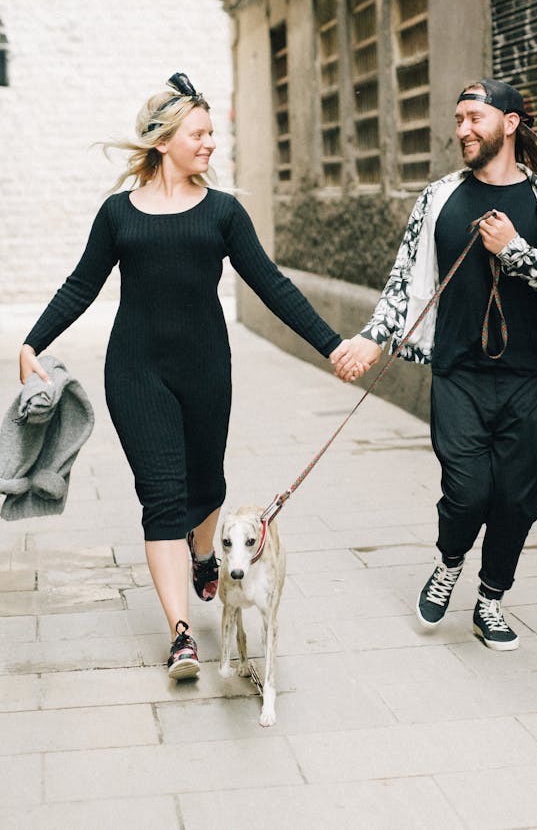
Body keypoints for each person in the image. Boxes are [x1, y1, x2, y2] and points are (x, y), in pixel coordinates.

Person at [19, 73, 354, 679]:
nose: (209, 144)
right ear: (164, 139)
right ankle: (180, 637)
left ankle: (205, 554)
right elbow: (80, 285)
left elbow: (272, 284)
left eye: (210, 134)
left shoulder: (223, 213)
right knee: (162, 497)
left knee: (207, 483)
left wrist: (332, 347)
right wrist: (31, 343)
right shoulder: (118, 214)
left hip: (205, 369)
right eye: (198, 134)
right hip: (135, 370)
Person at [333, 78, 537, 651]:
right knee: (468, 491)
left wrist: (514, 251)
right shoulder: (439, 197)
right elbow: (404, 280)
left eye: (475, 117)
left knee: (518, 499)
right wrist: (375, 337)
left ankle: (490, 599)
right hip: (458, 373)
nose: (463, 130)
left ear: (511, 123)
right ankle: (449, 563)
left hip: (526, 376)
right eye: (458, 119)